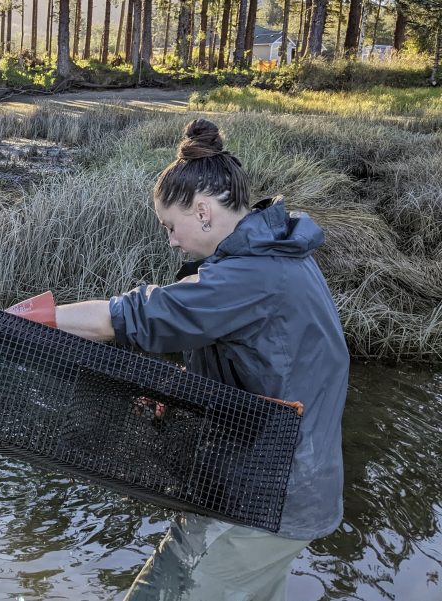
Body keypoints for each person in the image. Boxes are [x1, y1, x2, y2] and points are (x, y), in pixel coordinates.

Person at [49, 119, 350, 600]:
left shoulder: (252, 274)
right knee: (159, 587)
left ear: (204, 212)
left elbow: (132, 316)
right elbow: (262, 360)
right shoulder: (276, 254)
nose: (170, 240)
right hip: (240, 482)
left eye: (171, 226)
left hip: (272, 498)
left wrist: (30, 317)